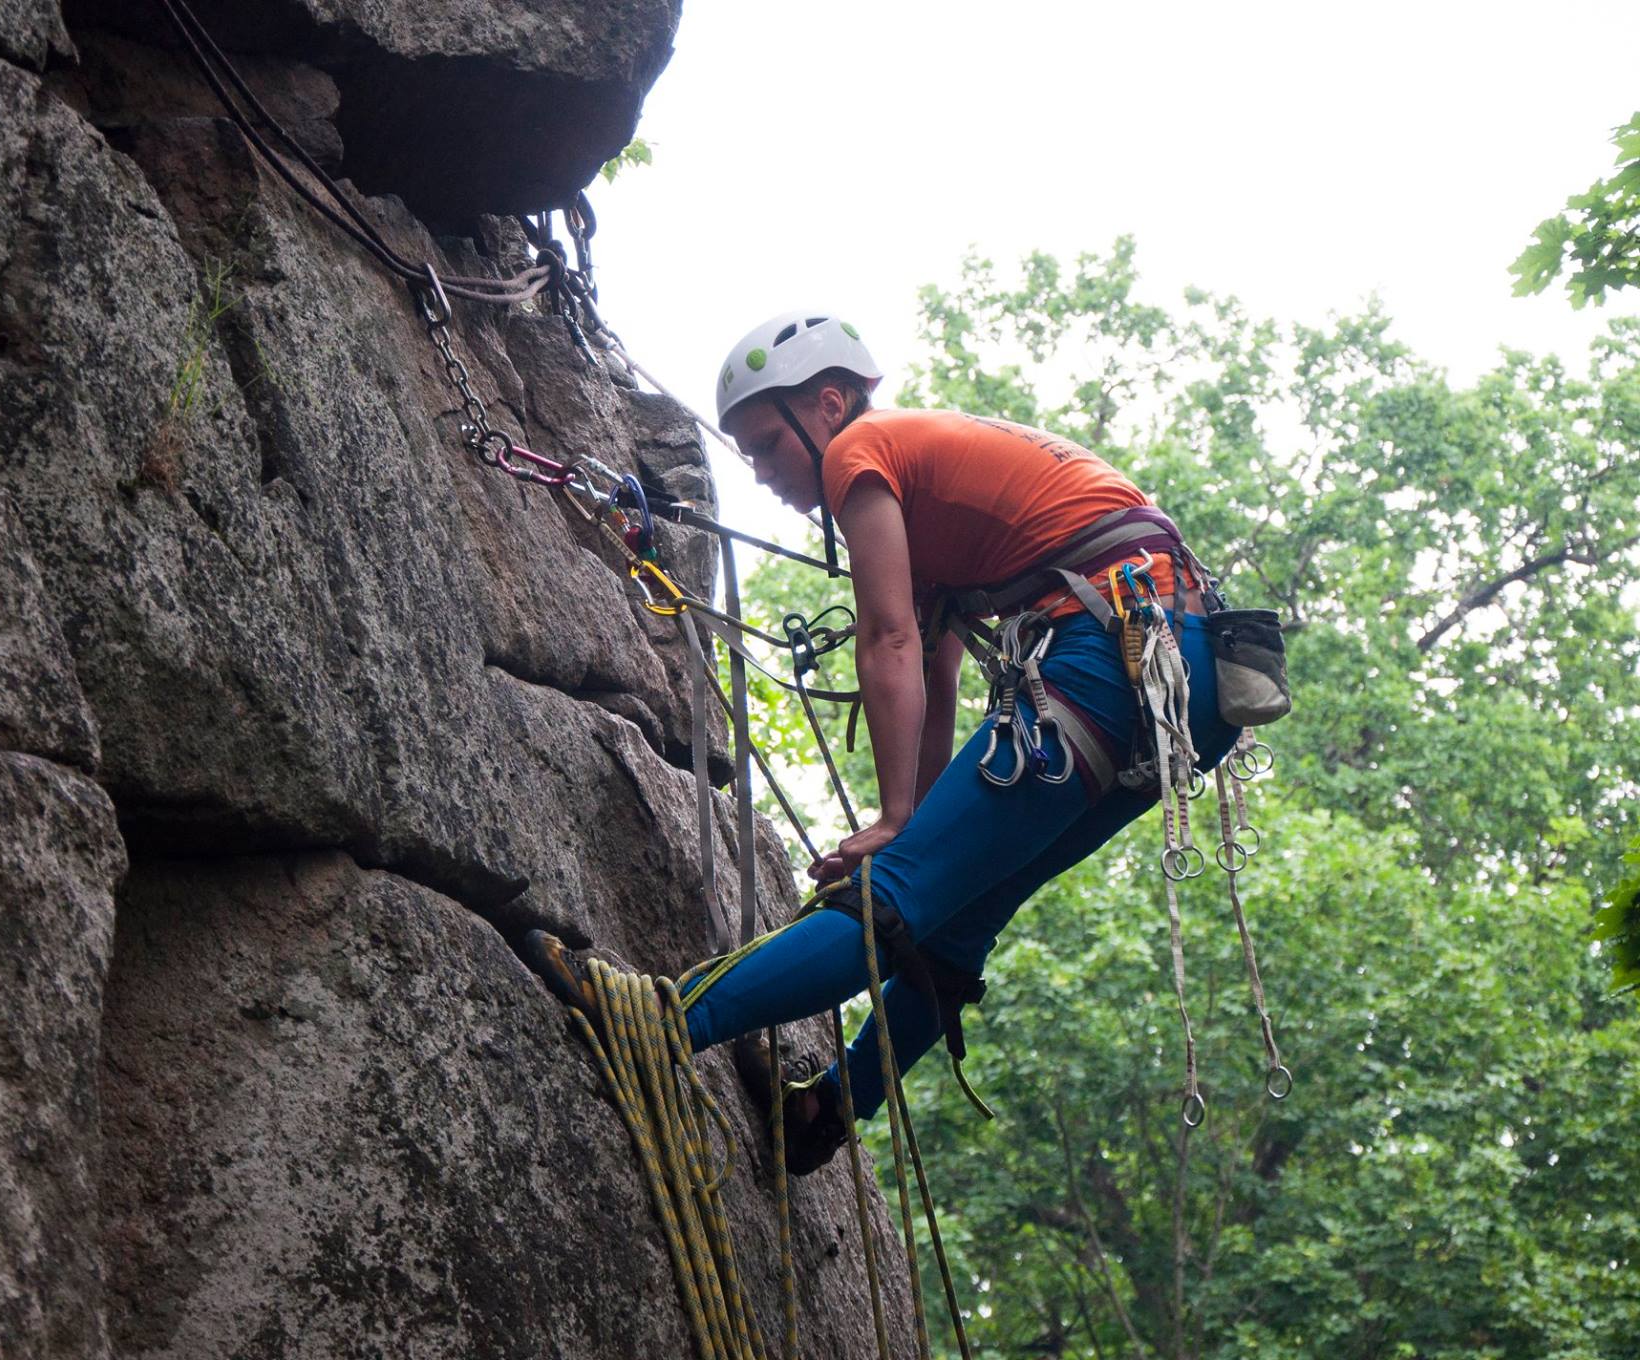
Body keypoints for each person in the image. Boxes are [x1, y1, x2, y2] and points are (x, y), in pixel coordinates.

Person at [526, 312, 1239, 1172]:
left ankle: (666, 1020)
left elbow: (889, 640)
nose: (762, 473)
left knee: (889, 897)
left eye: (765, 446)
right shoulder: (935, 492)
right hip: (1186, 684)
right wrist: (909, 820)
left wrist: (899, 827)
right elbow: (935, 679)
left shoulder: (860, 453)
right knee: (955, 920)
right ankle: (828, 1109)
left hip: (1114, 652)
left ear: (827, 406)